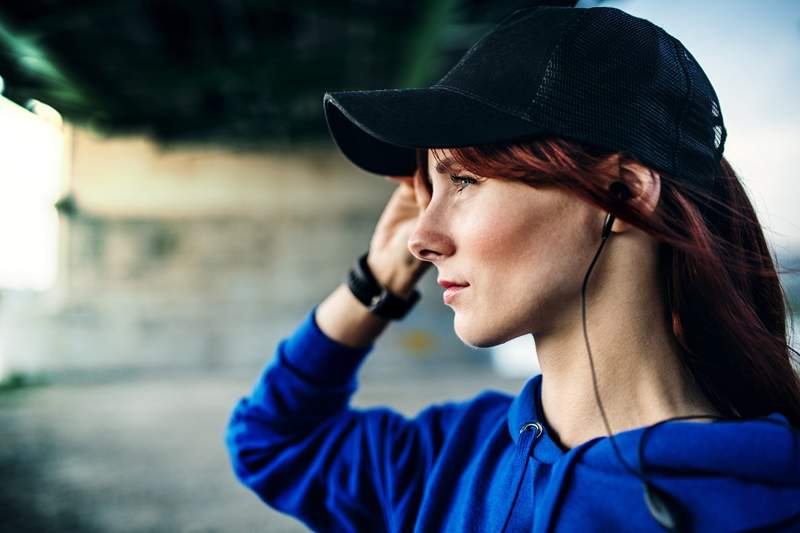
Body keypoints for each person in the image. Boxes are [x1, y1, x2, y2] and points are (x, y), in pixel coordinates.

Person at [225, 5, 800, 532]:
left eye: (466, 181)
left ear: (622, 194)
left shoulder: (761, 508)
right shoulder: (456, 456)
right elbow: (272, 441)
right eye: (431, 189)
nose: (420, 241)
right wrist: (376, 282)